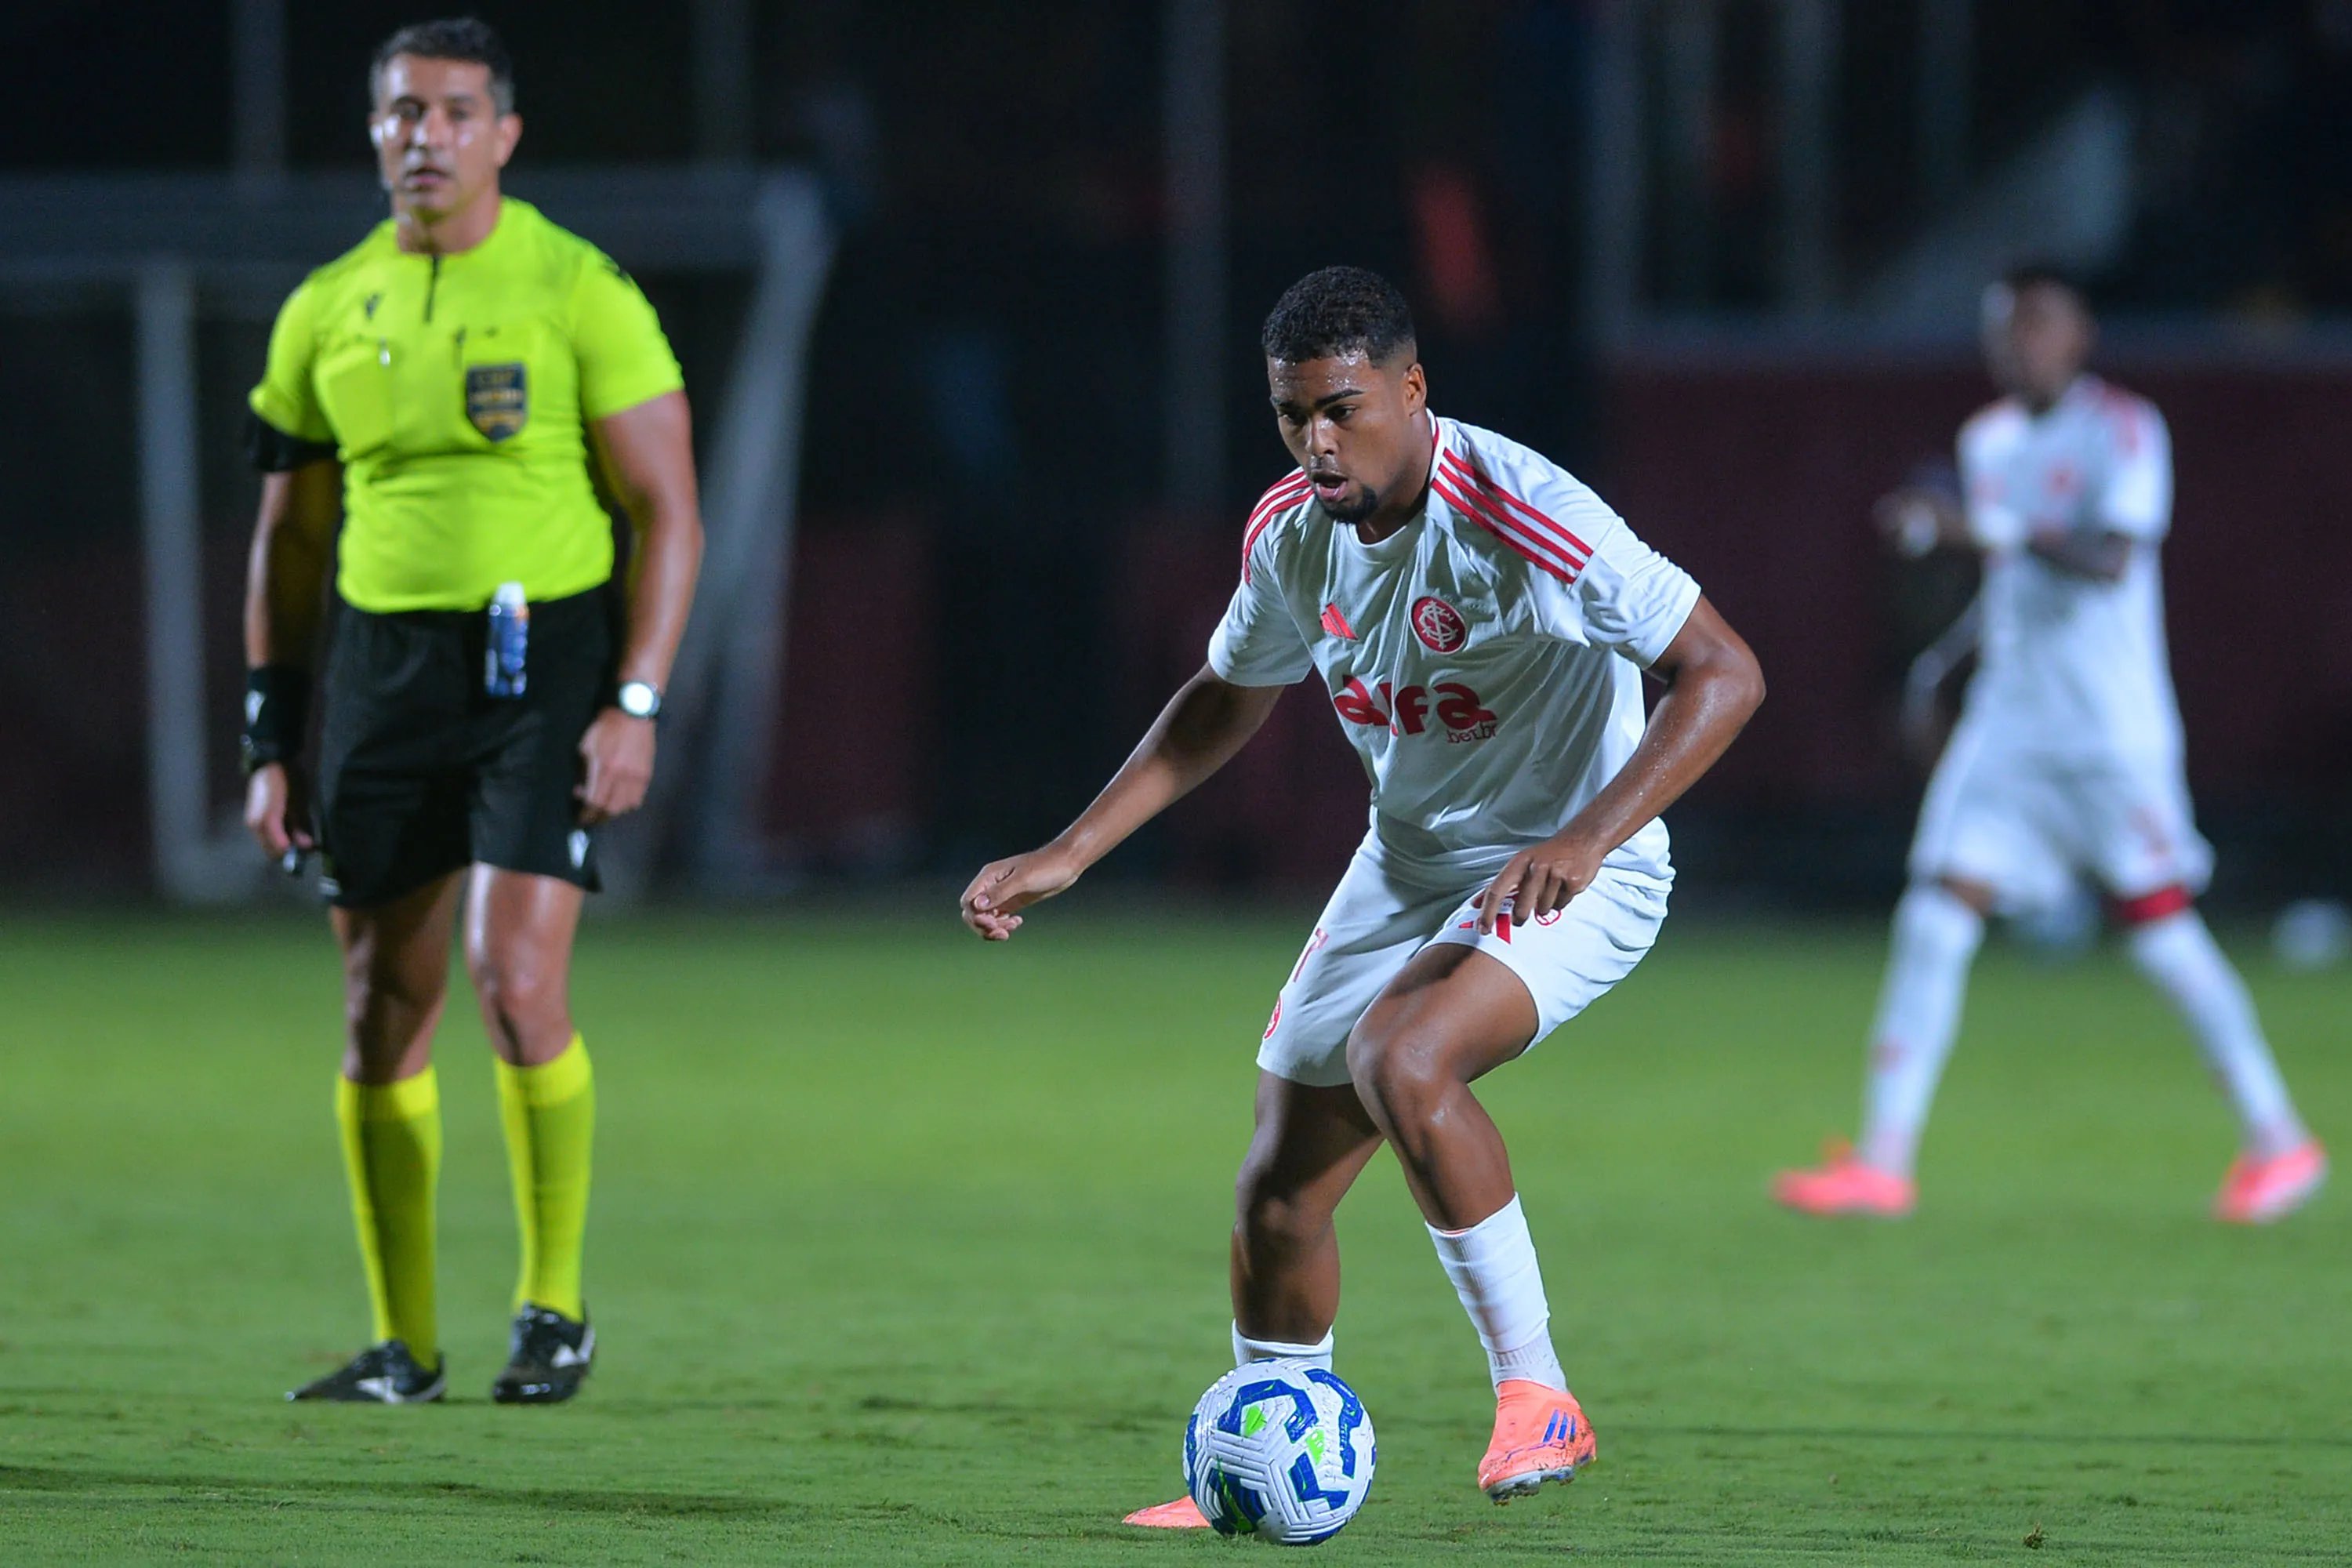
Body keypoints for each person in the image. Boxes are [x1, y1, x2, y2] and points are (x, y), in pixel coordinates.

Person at [959, 267, 1763, 1519]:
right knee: (1278, 1190)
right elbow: (1228, 692)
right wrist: (1073, 849)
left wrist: (1594, 836)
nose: (1318, 443)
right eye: (1293, 416)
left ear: (1412, 387)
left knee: (1403, 1053)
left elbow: (1723, 673)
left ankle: (1538, 1393)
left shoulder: (1525, 512)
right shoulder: (1289, 531)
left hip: (1576, 869)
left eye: (1342, 409)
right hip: (1409, 865)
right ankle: (1261, 1461)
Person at [241, 18, 703, 1403]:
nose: (422, 136)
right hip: (378, 679)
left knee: (515, 979)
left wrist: (634, 698)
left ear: (503, 133)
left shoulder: (578, 287)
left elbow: (670, 510)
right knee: (383, 1002)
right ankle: (403, 1347)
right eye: (399, 113)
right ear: (374, 130)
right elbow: (286, 543)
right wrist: (272, 737)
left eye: (452, 112)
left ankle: (552, 1310)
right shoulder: (325, 307)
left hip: (540, 665)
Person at [1773, 265, 2325, 1222]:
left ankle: (2279, 1140)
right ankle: (1883, 1159)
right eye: (2003, 328)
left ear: (2079, 335)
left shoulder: (2124, 428)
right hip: (2010, 727)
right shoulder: (1986, 439)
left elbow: (2109, 558)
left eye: (2036, 324)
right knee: (1937, 910)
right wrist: (1941, 666)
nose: (2018, 343)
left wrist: (1974, 525)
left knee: (2158, 929)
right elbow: (2012, 583)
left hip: (2108, 729)